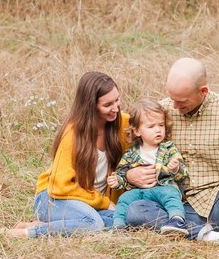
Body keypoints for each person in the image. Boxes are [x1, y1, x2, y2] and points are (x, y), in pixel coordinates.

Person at [121, 58, 219, 251]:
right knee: (136, 211)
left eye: (181, 101)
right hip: (177, 208)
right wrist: (130, 175)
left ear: (202, 91)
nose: (174, 106)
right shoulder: (161, 114)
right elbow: (135, 146)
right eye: (172, 98)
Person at [7, 71, 129, 237]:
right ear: (91, 106)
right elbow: (61, 186)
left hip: (89, 204)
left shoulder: (122, 123)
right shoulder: (72, 134)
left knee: (124, 221)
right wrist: (104, 203)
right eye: (107, 105)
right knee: (94, 224)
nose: (115, 108)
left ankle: (54, 225)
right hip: (54, 199)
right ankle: (25, 233)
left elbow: (150, 120)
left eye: (117, 100)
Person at [111, 99, 191, 237]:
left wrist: (175, 169)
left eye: (161, 125)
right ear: (137, 131)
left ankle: (177, 220)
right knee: (124, 198)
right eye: (151, 126)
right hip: (139, 192)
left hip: (162, 187)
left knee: (171, 195)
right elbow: (122, 172)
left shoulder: (168, 149)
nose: (158, 130)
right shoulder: (131, 153)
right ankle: (119, 227)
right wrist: (118, 180)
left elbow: (183, 174)